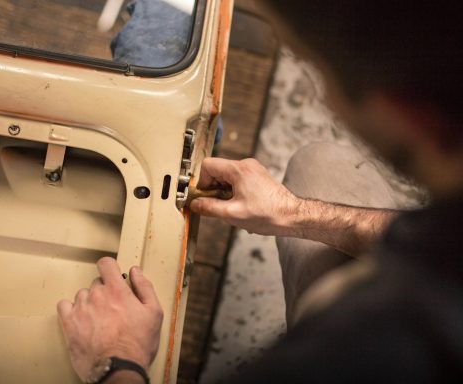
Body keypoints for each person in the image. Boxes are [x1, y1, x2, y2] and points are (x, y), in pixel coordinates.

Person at [57, 0, 463, 383]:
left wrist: (117, 361)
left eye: (313, 69)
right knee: (321, 163)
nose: (321, 93)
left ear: (408, 116)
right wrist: (293, 213)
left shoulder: (350, 357)